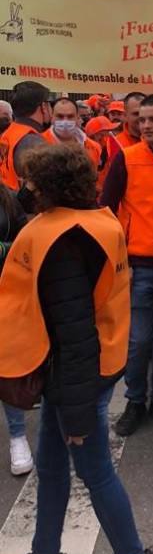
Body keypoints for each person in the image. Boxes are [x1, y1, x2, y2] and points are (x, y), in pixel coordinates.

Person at [0, 144, 153, 554]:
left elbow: (75, 334)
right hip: (80, 371)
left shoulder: (63, 238)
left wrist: (75, 414)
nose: (25, 188)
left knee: (94, 470)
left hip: (77, 374)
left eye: (31, 182)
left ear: (47, 186)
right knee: (51, 466)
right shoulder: (90, 222)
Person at [100, 94, 153, 436]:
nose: (145, 125)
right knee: (138, 340)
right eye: (142, 119)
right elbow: (105, 209)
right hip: (139, 265)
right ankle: (136, 401)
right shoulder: (126, 158)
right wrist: (121, 261)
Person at [0, 177, 32, 476]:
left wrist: (3, 248)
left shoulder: (9, 197)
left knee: (7, 366)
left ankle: (18, 437)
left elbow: (27, 241)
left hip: (7, 295)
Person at [0, 81, 51, 190]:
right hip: (23, 206)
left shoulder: (10, 132)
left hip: (9, 202)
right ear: (43, 106)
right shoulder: (33, 142)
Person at [43, 98, 101, 169]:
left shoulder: (94, 147)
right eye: (60, 116)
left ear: (77, 117)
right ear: (52, 117)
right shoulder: (39, 143)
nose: (65, 121)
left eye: (70, 116)